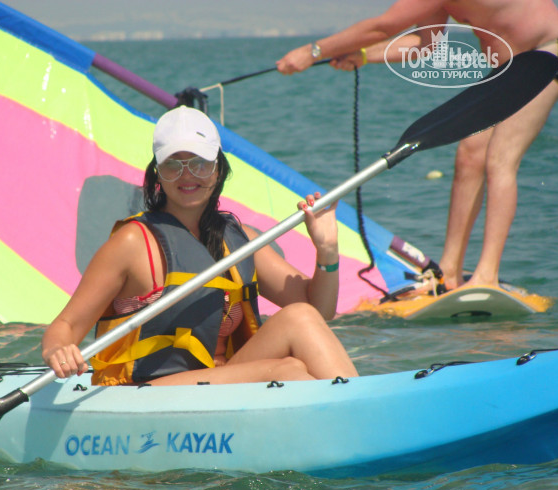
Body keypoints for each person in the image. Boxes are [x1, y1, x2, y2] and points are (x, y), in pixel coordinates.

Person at [42, 105, 358, 386]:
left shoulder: (241, 241)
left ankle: (360, 407)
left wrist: (327, 250)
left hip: (219, 381)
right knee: (288, 370)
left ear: (218, 170)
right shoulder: (132, 243)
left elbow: (320, 311)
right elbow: (65, 326)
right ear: (157, 175)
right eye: (173, 165)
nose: (187, 175)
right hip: (148, 389)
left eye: (200, 163)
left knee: (300, 317)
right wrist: (58, 350)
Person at [276, 0, 558, 293]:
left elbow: (383, 27)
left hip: (548, 55)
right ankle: (449, 272)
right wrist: (363, 55)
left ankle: (487, 275)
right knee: (469, 154)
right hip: (511, 70)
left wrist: (312, 51)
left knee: (500, 159)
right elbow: (426, 45)